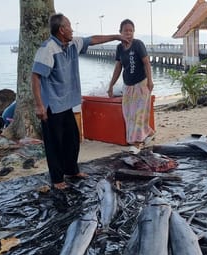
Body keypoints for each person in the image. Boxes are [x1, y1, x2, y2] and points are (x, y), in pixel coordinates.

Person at [31, 13, 127, 190]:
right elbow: (35, 77)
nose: (72, 29)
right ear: (61, 30)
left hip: (66, 103)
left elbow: (94, 39)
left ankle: (71, 170)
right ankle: (57, 178)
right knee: (55, 144)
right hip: (52, 105)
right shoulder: (48, 49)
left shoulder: (72, 43)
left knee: (73, 139)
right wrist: (39, 105)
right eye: (69, 26)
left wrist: (116, 36)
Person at [106, 19, 155, 152]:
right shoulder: (119, 48)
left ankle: (137, 142)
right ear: (120, 32)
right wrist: (111, 85)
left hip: (141, 83)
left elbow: (146, 63)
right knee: (129, 115)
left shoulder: (138, 44)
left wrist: (150, 81)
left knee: (139, 114)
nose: (128, 33)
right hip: (128, 86)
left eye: (131, 30)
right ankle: (149, 133)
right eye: (125, 30)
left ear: (134, 32)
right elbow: (118, 67)